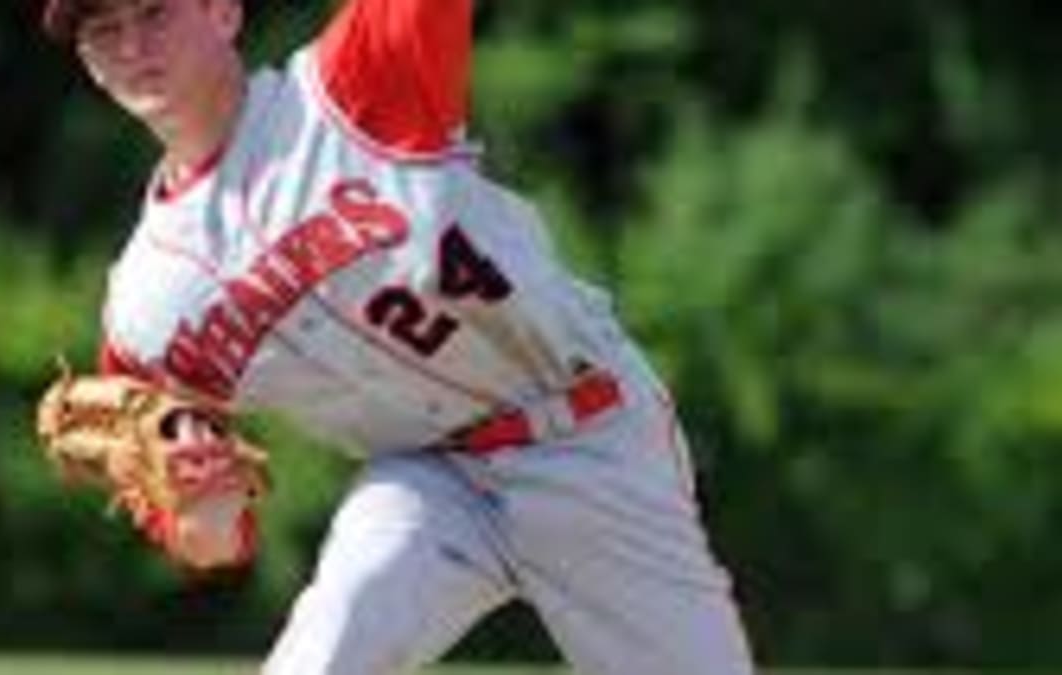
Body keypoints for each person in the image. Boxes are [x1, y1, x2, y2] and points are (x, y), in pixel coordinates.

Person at [40, 0, 757, 672]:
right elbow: (204, 535)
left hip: (585, 438)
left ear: (223, 9)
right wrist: (206, 506)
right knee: (324, 649)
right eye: (102, 30)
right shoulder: (144, 311)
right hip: (426, 479)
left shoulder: (356, 83)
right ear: (88, 63)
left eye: (154, 11)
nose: (133, 46)